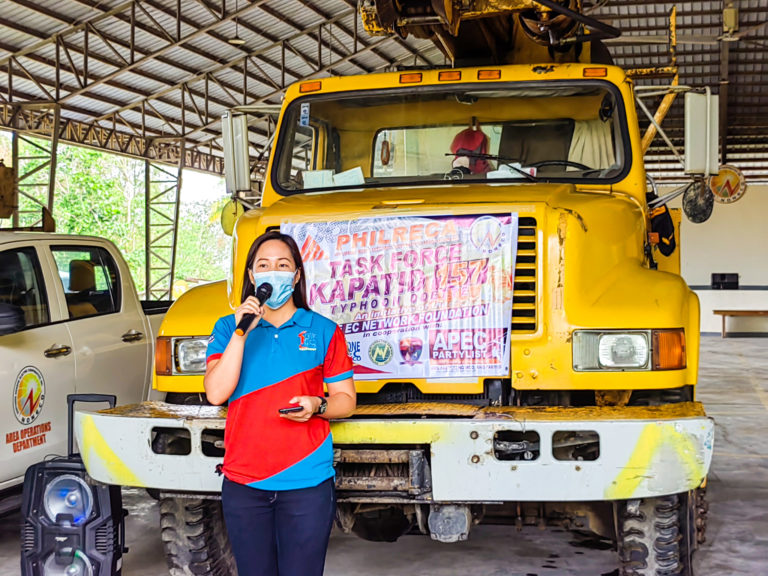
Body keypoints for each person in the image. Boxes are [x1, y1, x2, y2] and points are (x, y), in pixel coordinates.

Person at [203, 230, 356, 576]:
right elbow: (216, 393)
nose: (274, 271)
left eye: (283, 264)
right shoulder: (228, 328)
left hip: (307, 484)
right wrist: (244, 331)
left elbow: (346, 401)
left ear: (297, 275)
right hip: (244, 483)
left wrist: (317, 405)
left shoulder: (324, 331)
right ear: (252, 276)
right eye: (264, 265)